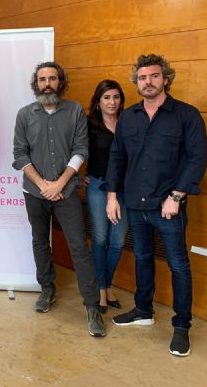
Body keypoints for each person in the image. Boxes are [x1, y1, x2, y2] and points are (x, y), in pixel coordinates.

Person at [105, 54, 207, 357]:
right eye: (141, 77)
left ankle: (182, 325)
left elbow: (197, 158)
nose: (147, 82)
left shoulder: (186, 115)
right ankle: (143, 310)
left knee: (178, 265)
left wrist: (176, 197)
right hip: (135, 204)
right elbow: (117, 157)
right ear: (136, 82)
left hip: (168, 206)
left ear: (165, 79)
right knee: (142, 258)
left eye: (153, 76)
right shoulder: (128, 117)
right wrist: (112, 196)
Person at [12, 61, 105, 338]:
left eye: (52, 78)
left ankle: (92, 307)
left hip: (66, 192)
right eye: (42, 79)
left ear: (60, 82)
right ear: (36, 84)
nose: (47, 84)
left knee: (79, 247)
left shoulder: (75, 111)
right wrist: (43, 185)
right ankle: (47, 290)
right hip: (35, 192)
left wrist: (60, 183)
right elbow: (20, 154)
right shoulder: (24, 114)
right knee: (40, 242)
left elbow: (81, 149)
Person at [85, 80, 128, 313]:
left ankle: (107, 284)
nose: (112, 102)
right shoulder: (89, 125)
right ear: (98, 101)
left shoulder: (129, 123)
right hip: (98, 186)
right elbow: (74, 150)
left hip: (124, 189)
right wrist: (78, 175)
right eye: (107, 97)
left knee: (118, 241)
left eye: (116, 97)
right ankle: (100, 288)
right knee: (100, 238)